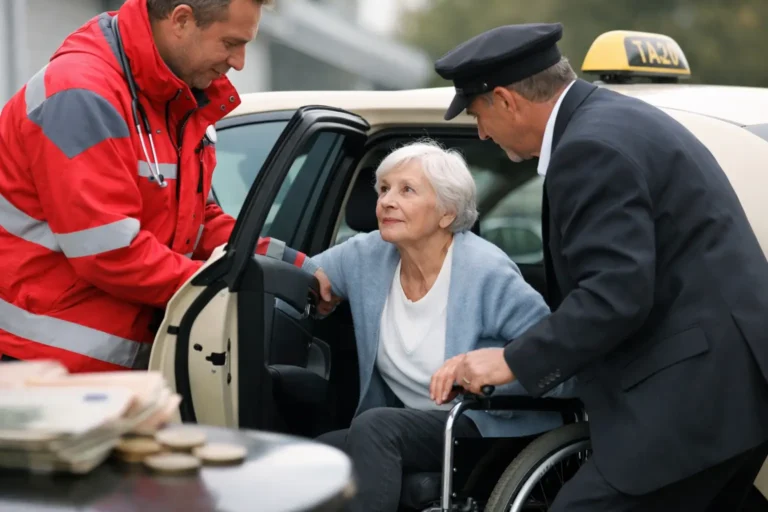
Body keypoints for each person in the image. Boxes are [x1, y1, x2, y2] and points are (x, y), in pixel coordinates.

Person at [432, 22, 768, 512]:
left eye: (478, 113)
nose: (479, 131)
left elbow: (615, 295)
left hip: (691, 406)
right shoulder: (612, 121)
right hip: (726, 394)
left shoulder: (589, 148)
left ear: (506, 100)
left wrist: (508, 360)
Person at [0, 0, 331, 372]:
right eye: (230, 43)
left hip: (115, 370)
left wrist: (294, 265)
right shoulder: (80, 94)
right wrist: (245, 282)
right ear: (182, 20)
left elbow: (199, 221)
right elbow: (110, 252)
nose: (239, 62)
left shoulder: (177, 99)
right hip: (45, 371)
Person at [311, 140, 575, 512]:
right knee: (308, 458)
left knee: (374, 428)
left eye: (407, 190)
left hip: (484, 427)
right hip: (416, 425)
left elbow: (564, 367)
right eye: (384, 189)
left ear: (446, 213)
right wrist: (311, 281)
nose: (386, 201)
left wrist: (491, 370)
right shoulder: (367, 254)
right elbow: (301, 271)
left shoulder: (487, 272)